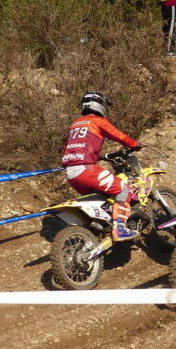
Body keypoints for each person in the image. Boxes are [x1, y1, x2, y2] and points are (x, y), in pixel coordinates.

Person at [61, 92, 144, 241]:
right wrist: (134, 144)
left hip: (71, 173)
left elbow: (67, 146)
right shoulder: (97, 120)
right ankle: (119, 230)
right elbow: (119, 135)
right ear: (100, 105)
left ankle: (101, 229)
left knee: (101, 199)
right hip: (87, 170)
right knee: (124, 189)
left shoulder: (74, 124)